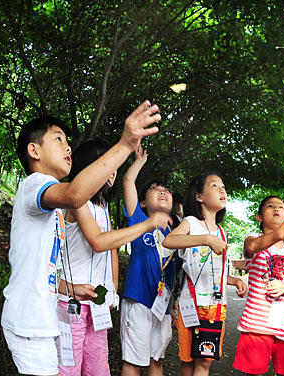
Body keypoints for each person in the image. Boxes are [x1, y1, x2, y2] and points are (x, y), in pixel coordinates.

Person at [2, 101, 161, 376]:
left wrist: (71, 288)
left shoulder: (52, 210)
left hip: (44, 318)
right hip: (30, 322)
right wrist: (125, 143)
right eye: (58, 139)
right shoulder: (35, 185)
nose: (67, 148)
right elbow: (78, 197)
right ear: (34, 150)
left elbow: (41, 269)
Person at [59, 140, 171, 376]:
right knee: (69, 367)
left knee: (98, 366)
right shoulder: (75, 201)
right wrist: (148, 224)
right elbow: (99, 241)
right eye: (105, 164)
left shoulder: (103, 207)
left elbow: (111, 250)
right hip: (72, 299)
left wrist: (111, 288)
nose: (111, 172)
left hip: (97, 303)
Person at [163, 171, 247, 376]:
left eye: (223, 187)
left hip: (216, 307)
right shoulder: (190, 223)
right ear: (199, 196)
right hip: (190, 303)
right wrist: (206, 240)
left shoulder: (221, 231)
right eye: (214, 186)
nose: (222, 190)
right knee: (188, 361)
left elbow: (215, 273)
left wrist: (234, 280)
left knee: (204, 362)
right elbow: (169, 241)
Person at [232, 195, 284, 376]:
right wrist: (279, 233)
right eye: (270, 206)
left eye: (281, 207)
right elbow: (253, 247)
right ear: (259, 217)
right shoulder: (252, 239)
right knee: (253, 371)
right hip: (257, 323)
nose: (276, 209)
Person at [120, 145, 180, 376]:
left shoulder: (177, 232)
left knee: (156, 360)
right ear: (143, 202)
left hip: (162, 306)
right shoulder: (138, 219)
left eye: (167, 190)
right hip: (138, 300)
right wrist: (139, 162)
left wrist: (171, 306)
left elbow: (173, 273)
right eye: (155, 189)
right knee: (134, 362)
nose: (162, 192)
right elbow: (127, 182)